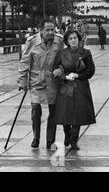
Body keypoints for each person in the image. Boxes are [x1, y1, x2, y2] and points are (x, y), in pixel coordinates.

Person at [18, 19, 64, 149]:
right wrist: (22, 80)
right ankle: (36, 137)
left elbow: (64, 59)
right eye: (47, 30)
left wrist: (61, 69)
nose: (51, 32)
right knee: (35, 110)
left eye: (52, 29)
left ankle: (50, 140)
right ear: (41, 30)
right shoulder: (32, 42)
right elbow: (24, 62)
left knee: (53, 111)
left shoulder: (59, 41)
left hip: (52, 81)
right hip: (36, 81)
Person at [52, 30, 96, 151]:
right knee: (66, 114)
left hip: (81, 87)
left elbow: (91, 70)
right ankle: (67, 134)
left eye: (75, 38)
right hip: (66, 87)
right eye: (70, 38)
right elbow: (54, 69)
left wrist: (78, 76)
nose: (73, 40)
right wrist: (64, 76)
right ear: (67, 41)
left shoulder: (86, 53)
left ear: (79, 39)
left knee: (78, 115)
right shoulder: (61, 53)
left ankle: (74, 139)